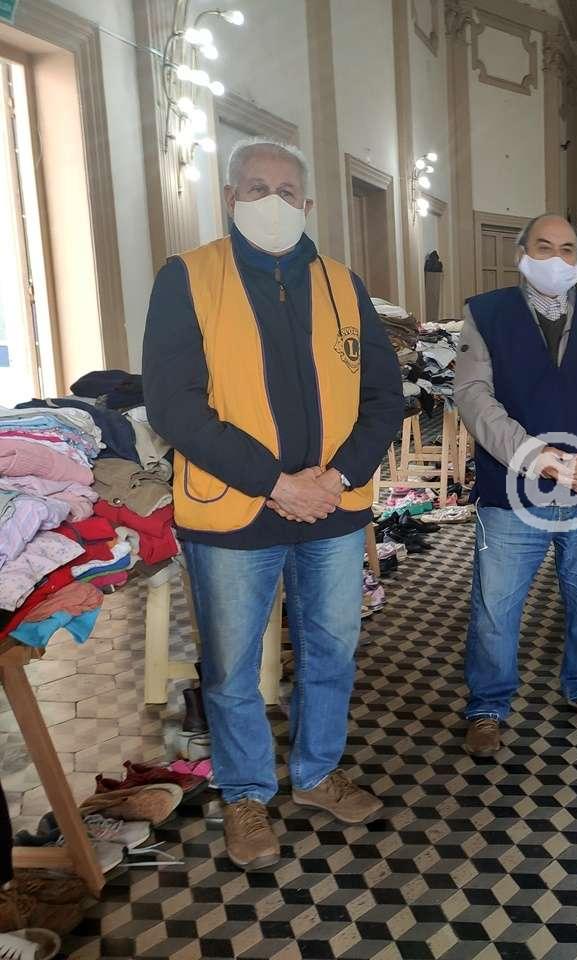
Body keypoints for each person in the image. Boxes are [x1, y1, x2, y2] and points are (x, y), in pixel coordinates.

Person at [143, 138, 403, 869]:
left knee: (332, 650)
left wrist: (335, 478)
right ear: (229, 198)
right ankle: (247, 793)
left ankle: (317, 773)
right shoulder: (188, 278)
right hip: (234, 511)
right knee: (231, 667)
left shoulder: (342, 285)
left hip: (332, 510)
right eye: (256, 188)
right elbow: (173, 404)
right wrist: (277, 483)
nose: (272, 203)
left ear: (308, 204)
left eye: (287, 192)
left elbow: (384, 396)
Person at [454, 214, 577, 757]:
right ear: (521, 253)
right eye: (543, 247)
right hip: (511, 493)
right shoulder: (486, 314)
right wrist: (531, 453)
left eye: (567, 250)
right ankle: (487, 706)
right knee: (496, 608)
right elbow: (473, 395)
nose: (556, 259)